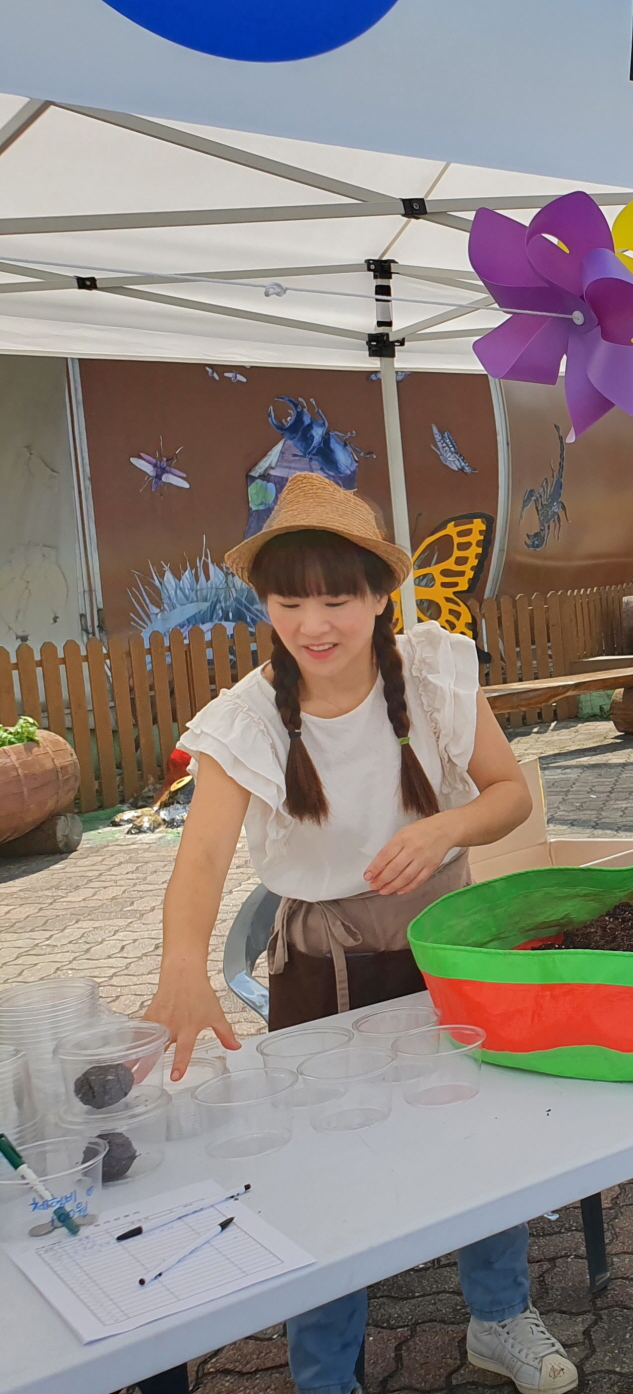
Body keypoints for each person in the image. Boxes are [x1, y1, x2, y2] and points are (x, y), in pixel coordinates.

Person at [144, 476, 575, 1394]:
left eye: (337, 597)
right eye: (289, 599)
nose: (314, 622)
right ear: (265, 604)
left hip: (446, 945)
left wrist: (444, 829)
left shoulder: (432, 675)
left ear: (381, 596)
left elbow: (506, 792)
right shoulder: (246, 719)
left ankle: (499, 1316)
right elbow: (202, 859)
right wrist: (184, 971)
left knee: (479, 1133)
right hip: (321, 969)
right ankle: (325, 1371)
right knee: (324, 1170)